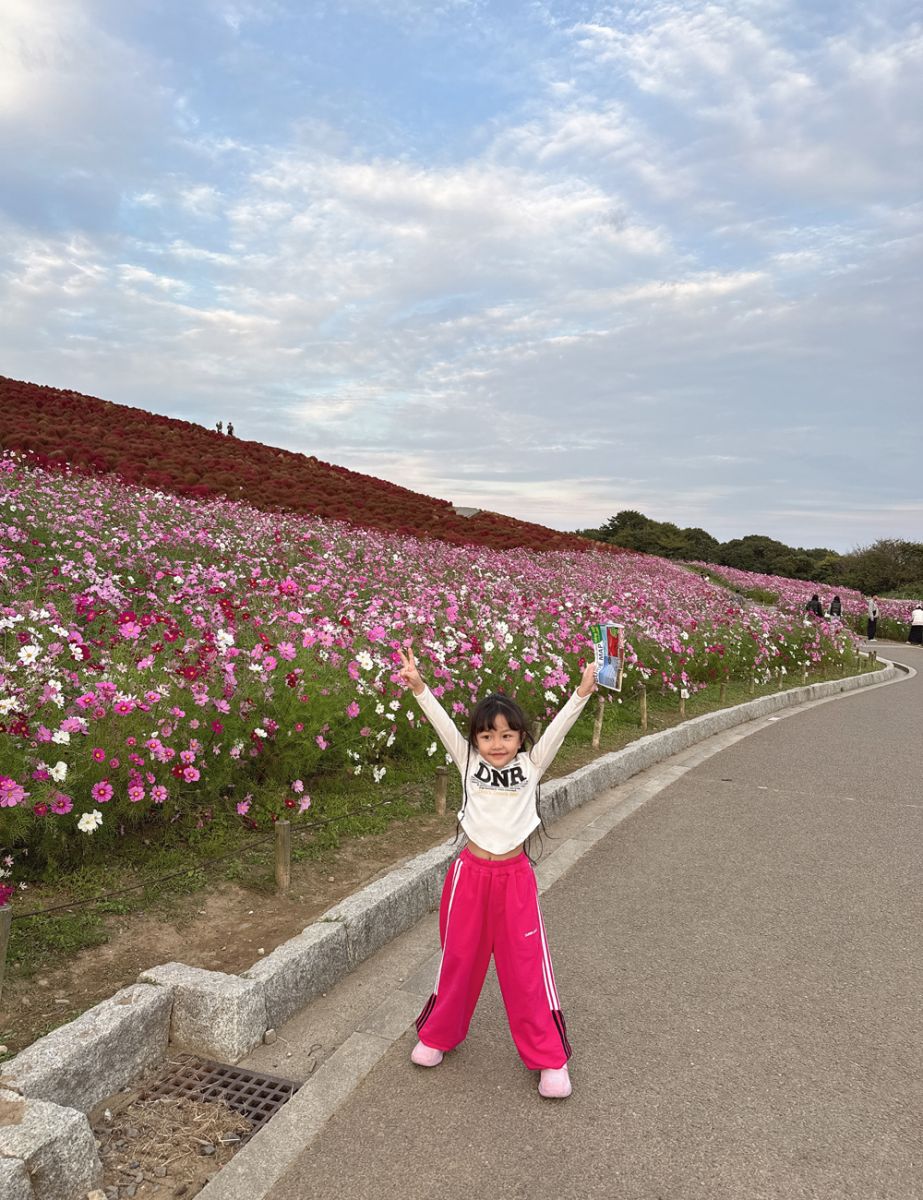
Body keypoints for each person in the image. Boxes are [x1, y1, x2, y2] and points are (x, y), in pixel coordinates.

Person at [396, 643, 598, 1100]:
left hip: (514, 880)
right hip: (469, 876)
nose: (497, 744)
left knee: (526, 969)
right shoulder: (467, 761)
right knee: (459, 960)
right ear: (476, 740)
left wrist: (581, 693)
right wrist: (420, 688)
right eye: (487, 736)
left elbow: (561, 730)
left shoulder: (532, 764)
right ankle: (437, 1036)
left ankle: (549, 1058)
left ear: (521, 738)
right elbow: (443, 724)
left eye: (507, 735)